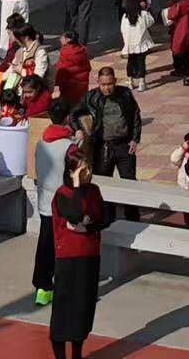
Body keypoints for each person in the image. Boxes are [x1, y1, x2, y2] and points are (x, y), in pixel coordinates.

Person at [46, 150, 110, 359]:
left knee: (83, 309)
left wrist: (87, 227)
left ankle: (77, 354)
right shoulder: (63, 194)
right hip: (69, 258)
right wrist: (75, 186)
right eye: (83, 170)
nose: (88, 173)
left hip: (90, 256)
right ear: (72, 172)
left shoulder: (94, 190)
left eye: (89, 168)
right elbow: (74, 214)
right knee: (64, 310)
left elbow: (104, 218)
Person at [29, 119, 78, 306]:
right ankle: (66, 287)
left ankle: (42, 288)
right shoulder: (69, 147)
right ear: (67, 120)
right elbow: (76, 175)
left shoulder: (40, 144)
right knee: (67, 247)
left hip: (45, 202)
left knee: (45, 246)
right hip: (64, 205)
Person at [71, 66, 142, 188]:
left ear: (115, 81)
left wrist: (135, 139)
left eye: (109, 84)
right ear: (98, 82)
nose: (107, 88)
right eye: (103, 85)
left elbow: (135, 115)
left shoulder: (125, 94)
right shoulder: (91, 97)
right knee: (102, 184)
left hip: (124, 145)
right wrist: (77, 129)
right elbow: (73, 114)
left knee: (130, 183)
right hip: (103, 147)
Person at [118, 0, 154, 92]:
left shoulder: (125, 16)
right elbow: (151, 22)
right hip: (141, 43)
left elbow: (122, 29)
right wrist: (146, 10)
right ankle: (142, 83)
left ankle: (130, 82)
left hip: (130, 43)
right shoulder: (143, 14)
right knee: (141, 62)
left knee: (130, 62)